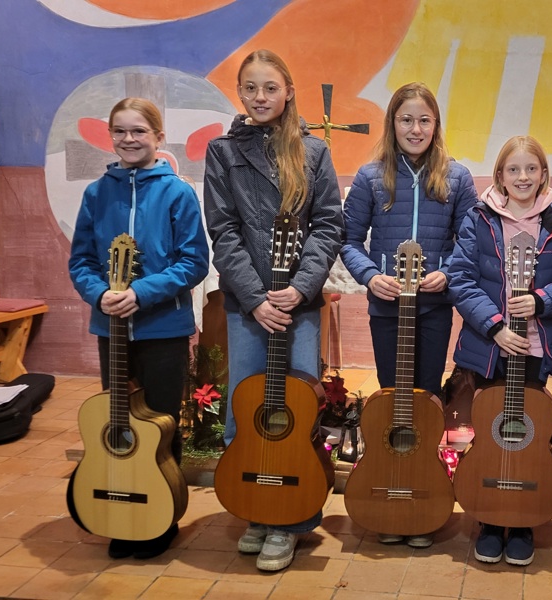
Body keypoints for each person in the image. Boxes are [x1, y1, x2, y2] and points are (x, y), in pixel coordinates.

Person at [203, 49, 343, 572]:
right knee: (247, 407)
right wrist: (257, 299)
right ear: (241, 94)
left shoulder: (313, 151)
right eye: (250, 89)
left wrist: (300, 288)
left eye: (270, 88)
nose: (260, 98)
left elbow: (329, 224)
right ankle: (257, 510)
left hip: (298, 307)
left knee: (294, 409)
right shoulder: (223, 152)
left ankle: (290, 519)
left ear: (288, 91)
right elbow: (223, 229)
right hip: (248, 306)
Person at [68, 97, 209, 560]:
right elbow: (82, 261)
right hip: (111, 330)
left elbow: (194, 262)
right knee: (119, 424)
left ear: (157, 137)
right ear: (111, 137)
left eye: (139, 132)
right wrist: (99, 293)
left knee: (162, 425)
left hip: (163, 328)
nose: (129, 140)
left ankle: (159, 515)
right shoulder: (96, 193)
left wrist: (142, 292)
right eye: (121, 132)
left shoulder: (177, 192)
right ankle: (119, 508)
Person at [340, 82, 477, 548]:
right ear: (392, 124)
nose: (415, 128)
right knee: (391, 393)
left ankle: (423, 488)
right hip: (387, 307)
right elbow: (348, 240)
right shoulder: (370, 177)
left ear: (435, 125)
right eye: (406, 119)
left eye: (424, 120)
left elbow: (469, 242)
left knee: (427, 396)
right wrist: (368, 275)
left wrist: (447, 274)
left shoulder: (456, 178)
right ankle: (391, 487)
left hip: (435, 308)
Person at [448, 135, 552, 566]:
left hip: (537, 348)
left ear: (544, 174)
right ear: (500, 176)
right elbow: (460, 279)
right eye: (513, 170)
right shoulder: (479, 219)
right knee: (491, 430)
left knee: (526, 433)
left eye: (531, 169)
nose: (523, 177)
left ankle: (520, 520)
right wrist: (496, 325)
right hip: (491, 347)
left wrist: (542, 300)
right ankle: (488, 514)